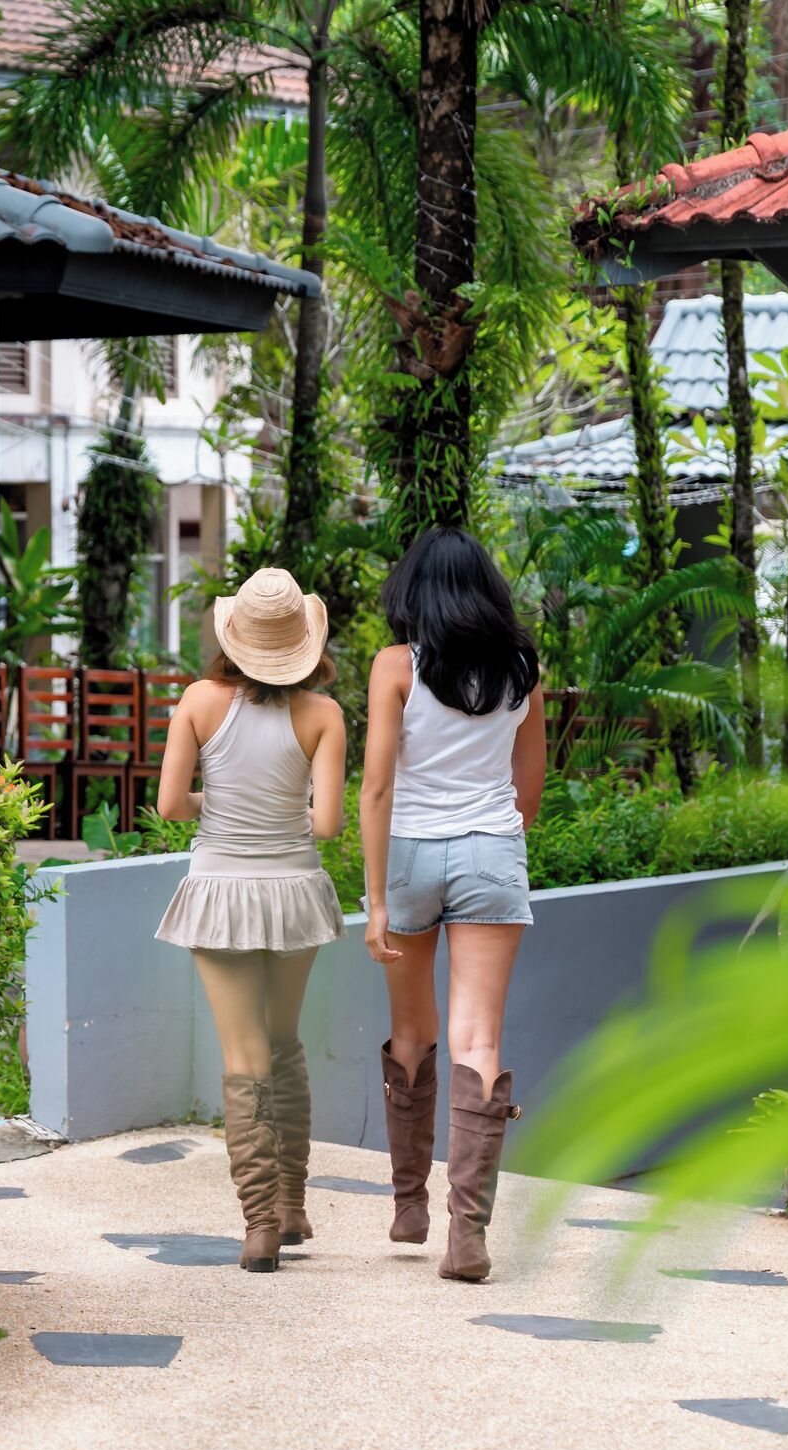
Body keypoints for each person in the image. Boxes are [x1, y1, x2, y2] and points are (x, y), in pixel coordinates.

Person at [149, 564, 349, 1272]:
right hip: (294, 888)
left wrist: (220, 805)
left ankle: (260, 1225)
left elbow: (173, 805)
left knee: (244, 1060)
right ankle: (294, 1205)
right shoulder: (324, 716)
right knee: (285, 1044)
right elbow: (326, 824)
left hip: (220, 890)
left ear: (234, 639)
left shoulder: (200, 701)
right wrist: (279, 812)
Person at [361, 526, 545, 1282]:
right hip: (492, 851)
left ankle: (409, 1204)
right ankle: (466, 1236)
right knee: (479, 1037)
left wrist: (374, 901)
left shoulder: (394, 667)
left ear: (412, 591)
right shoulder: (524, 668)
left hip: (409, 853)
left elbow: (375, 788)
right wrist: (493, 841)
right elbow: (530, 787)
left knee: (413, 1026)